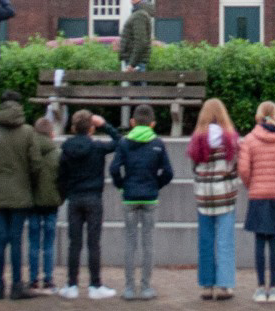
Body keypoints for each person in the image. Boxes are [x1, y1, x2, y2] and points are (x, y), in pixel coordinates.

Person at [0, 91, 45, 301]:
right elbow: (36, 164)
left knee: (0, 238)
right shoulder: (27, 132)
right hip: (20, 190)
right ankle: (17, 284)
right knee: (16, 239)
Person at [110, 103, 173, 300]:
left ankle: (129, 288)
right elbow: (169, 173)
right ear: (152, 124)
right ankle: (146, 287)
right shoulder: (158, 143)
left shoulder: (124, 143)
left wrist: (122, 186)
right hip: (150, 197)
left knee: (130, 243)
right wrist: (156, 185)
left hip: (130, 197)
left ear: (132, 122)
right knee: (148, 243)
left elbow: (113, 169)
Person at [56, 109, 121, 300]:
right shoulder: (97, 147)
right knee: (94, 243)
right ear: (91, 128)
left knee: (74, 243)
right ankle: (95, 284)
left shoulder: (67, 147)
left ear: (74, 127)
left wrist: (64, 194)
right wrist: (105, 125)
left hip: (74, 198)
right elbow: (119, 142)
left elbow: (61, 175)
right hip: (93, 197)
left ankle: (72, 284)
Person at [238, 100, 275, 304]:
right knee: (274, 240)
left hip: (257, 194)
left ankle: (261, 287)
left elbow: (243, 169)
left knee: (259, 241)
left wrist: (251, 185)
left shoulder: (250, 139)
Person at [187, 97, 241, 301]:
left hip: (204, 194)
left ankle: (207, 285)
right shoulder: (231, 139)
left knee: (206, 241)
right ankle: (224, 285)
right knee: (225, 241)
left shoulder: (197, 139)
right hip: (225, 194)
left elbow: (193, 168)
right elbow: (235, 166)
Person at [27, 117, 62, 293]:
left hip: (32, 202)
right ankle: (48, 279)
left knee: (33, 242)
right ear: (51, 133)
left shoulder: (29, 152)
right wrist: (60, 198)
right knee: (48, 243)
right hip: (51, 202)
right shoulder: (56, 153)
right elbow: (63, 180)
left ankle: (33, 279)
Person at [118, 0, 155, 71]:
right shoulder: (138, 13)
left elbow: (141, 41)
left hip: (136, 63)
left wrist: (132, 64)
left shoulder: (140, 15)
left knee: (137, 84)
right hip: (135, 61)